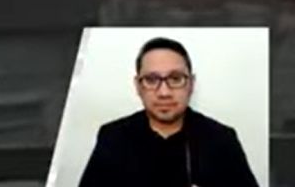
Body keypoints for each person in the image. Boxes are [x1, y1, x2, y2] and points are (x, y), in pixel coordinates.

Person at [77, 37, 260, 187]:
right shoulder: (114, 138)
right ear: (138, 86)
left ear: (191, 84)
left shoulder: (221, 139)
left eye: (175, 78)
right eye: (151, 79)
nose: (164, 92)